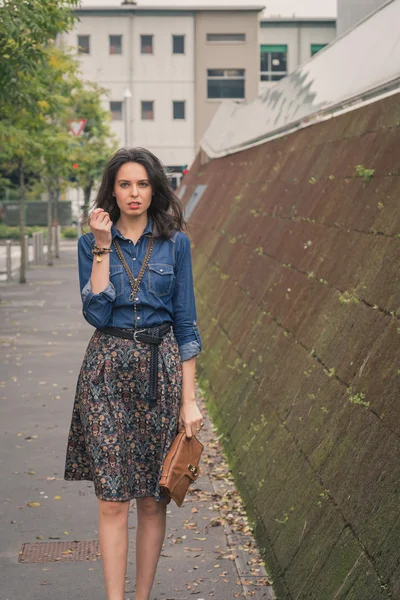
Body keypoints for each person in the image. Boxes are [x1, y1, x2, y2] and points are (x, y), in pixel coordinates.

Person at [64, 147, 204, 600]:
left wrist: (189, 400)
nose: (134, 193)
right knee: (111, 496)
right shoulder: (91, 243)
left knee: (152, 496)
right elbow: (96, 311)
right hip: (106, 372)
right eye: (125, 184)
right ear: (112, 191)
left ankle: (141, 596)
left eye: (142, 184)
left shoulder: (175, 243)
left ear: (155, 188)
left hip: (159, 374)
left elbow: (186, 326)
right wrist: (103, 246)